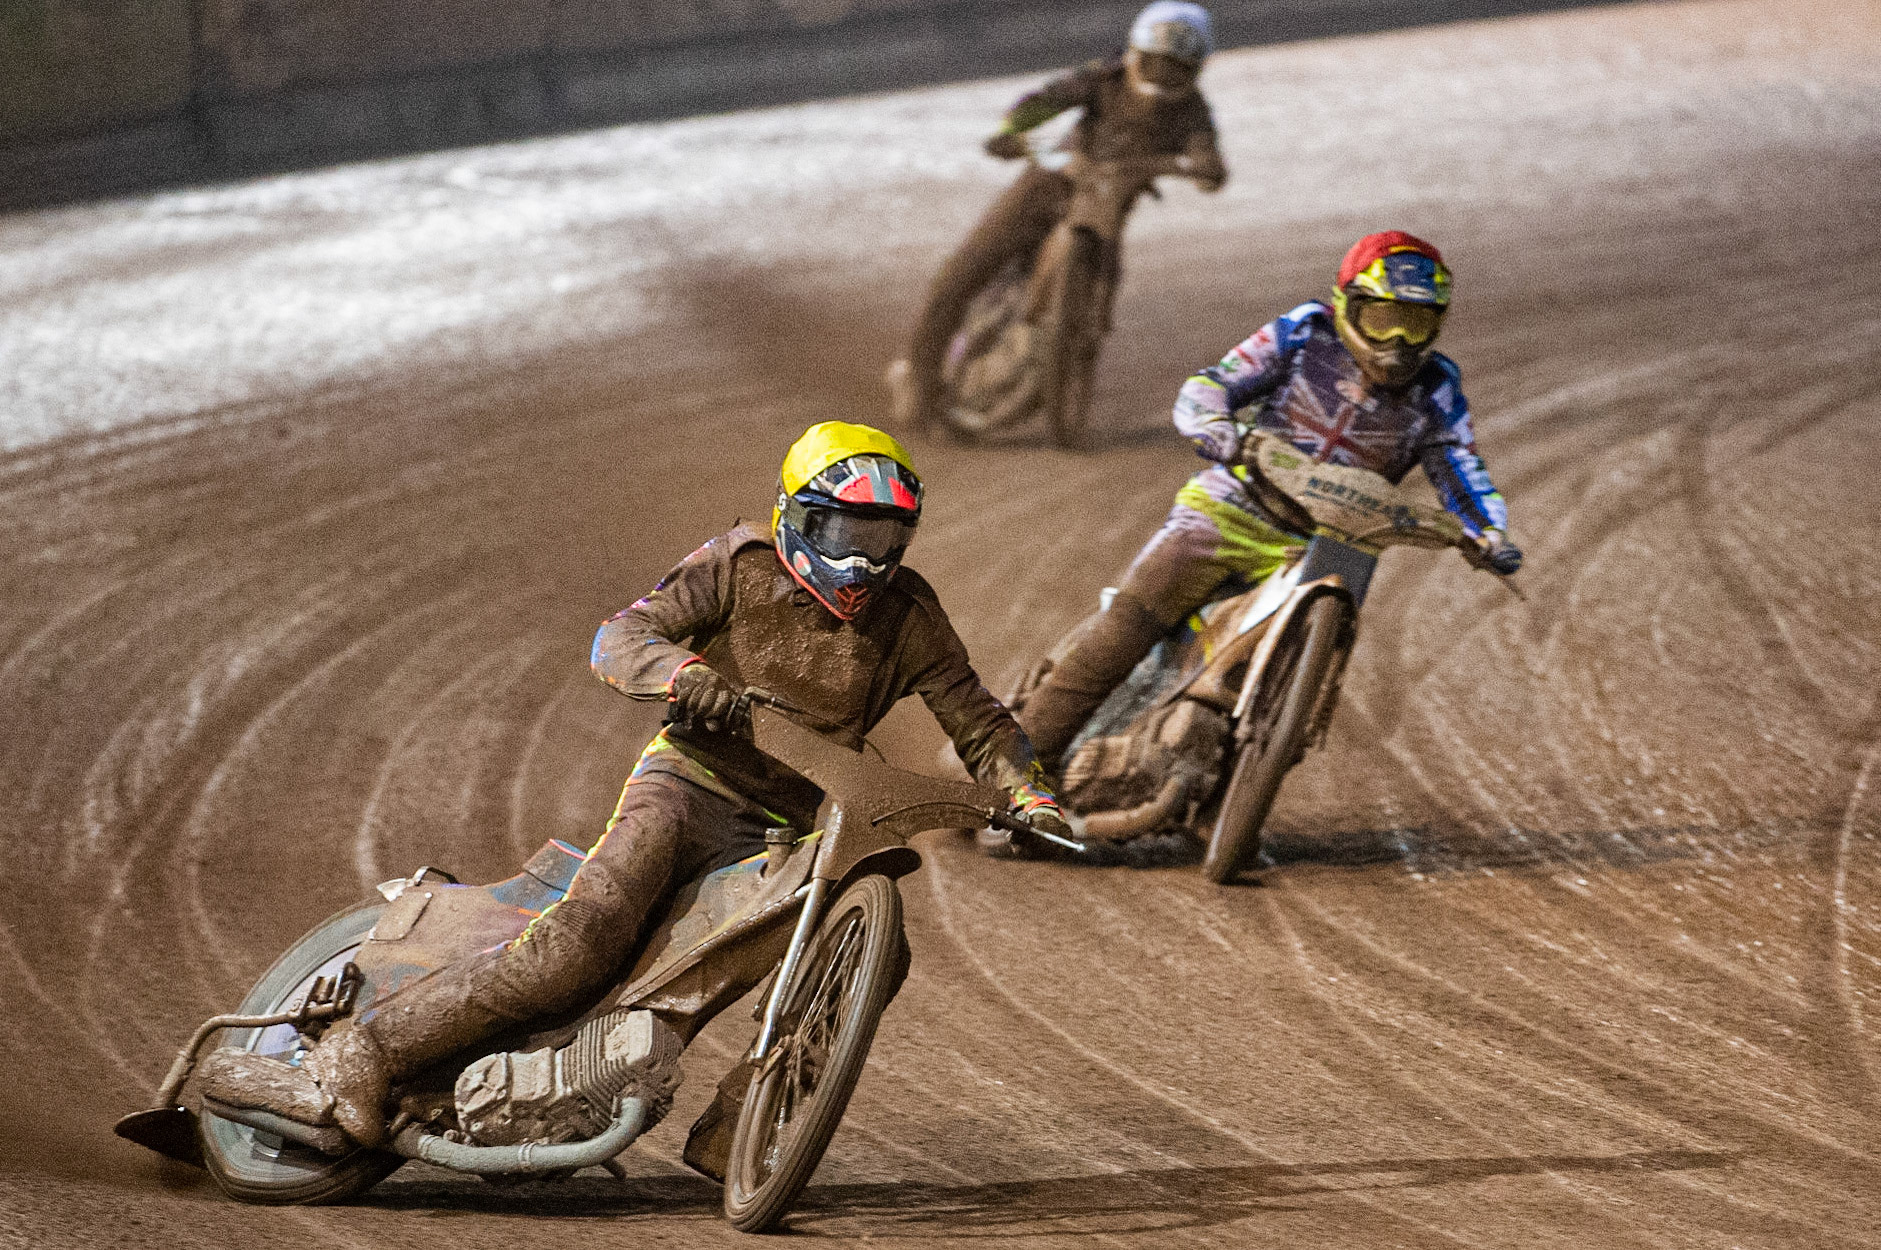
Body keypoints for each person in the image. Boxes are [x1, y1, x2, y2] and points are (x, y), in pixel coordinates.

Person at [204, 422, 1070, 1151]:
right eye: (843, 534)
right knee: (576, 950)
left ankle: (740, 1131)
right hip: (687, 784)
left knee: (876, 959)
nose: (860, 561)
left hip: (792, 828)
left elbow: (980, 718)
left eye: (880, 541)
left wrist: (1027, 793)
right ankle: (365, 1052)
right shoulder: (738, 565)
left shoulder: (909, 614)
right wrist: (683, 672)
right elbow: (622, 636)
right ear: (797, 519)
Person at [1016, 230, 1524, 768]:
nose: (1398, 340)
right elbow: (1213, 383)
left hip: (1331, 546)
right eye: (1383, 318)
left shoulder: (1438, 386)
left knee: (1310, 671)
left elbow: (1461, 466)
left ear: (1437, 324)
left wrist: (1488, 532)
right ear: (1347, 304)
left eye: (1415, 323)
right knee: (1126, 628)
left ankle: (1212, 776)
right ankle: (1014, 775)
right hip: (1232, 508)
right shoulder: (1305, 333)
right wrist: (1215, 425)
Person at [894, 1, 1227, 431]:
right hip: (1041, 194)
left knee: (1104, 295)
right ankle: (920, 388)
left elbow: (1207, 155)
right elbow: (1045, 101)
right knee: (955, 280)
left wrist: (1205, 168)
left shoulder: (1193, 111)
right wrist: (1012, 130)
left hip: (1103, 217)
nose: (1163, 74)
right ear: (1135, 53)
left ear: (1195, 68)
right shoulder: (1101, 80)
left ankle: (1070, 361)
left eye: (1175, 66)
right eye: (1157, 61)